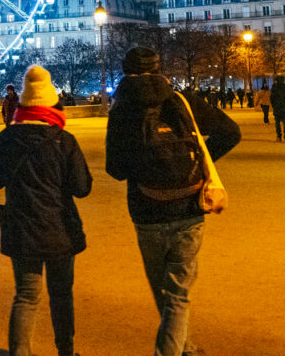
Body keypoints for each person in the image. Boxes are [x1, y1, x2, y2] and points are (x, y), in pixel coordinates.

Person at [105, 47, 240, 356]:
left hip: (147, 209)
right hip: (189, 206)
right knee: (177, 293)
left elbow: (115, 169)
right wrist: (198, 164)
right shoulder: (180, 101)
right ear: (158, 68)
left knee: (165, 292)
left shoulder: (123, 110)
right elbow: (230, 132)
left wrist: (144, 166)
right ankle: (184, 347)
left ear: (126, 71)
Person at [0, 66, 92, 356]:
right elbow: (82, 187)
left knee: (26, 296)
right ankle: (65, 351)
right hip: (59, 229)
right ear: (53, 104)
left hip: (22, 230)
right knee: (61, 295)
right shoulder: (63, 140)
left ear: (21, 105)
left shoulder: (7, 139)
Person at [270, 75, 285, 142]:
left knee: (277, 122)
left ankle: (279, 136)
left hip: (277, 107)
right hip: (284, 107)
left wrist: (273, 105)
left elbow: (271, 98)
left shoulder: (274, 89)